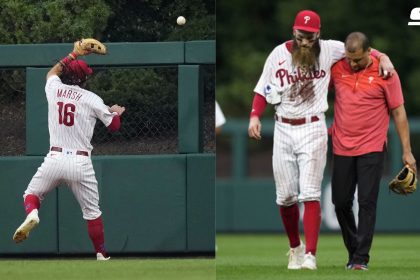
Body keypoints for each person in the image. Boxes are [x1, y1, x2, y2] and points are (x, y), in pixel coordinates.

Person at [247, 10, 395, 270]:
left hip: (313, 126)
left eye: (310, 36)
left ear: (318, 34)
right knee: (285, 197)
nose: (305, 41)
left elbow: (363, 49)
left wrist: (384, 57)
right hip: (282, 127)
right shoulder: (277, 54)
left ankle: (311, 256)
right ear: (294, 32)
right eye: (301, 35)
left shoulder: (329, 50)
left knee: (311, 193)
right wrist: (254, 116)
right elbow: (262, 89)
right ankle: (295, 247)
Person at [12, 41, 126, 261]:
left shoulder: (54, 89)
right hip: (81, 163)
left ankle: (32, 214)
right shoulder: (91, 99)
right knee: (92, 213)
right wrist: (116, 113)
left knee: (31, 195)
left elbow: (51, 73)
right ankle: (102, 254)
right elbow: (114, 127)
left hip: (54, 158)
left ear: (65, 74)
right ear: (83, 78)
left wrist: (73, 54)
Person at [329, 32, 416, 270]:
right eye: (350, 59)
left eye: (357, 59)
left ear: (369, 52)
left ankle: (360, 259)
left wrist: (407, 151)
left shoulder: (385, 73)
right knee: (340, 202)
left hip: (372, 146)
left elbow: (399, 113)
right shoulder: (337, 68)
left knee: (367, 202)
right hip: (341, 146)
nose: (353, 64)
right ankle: (354, 249)